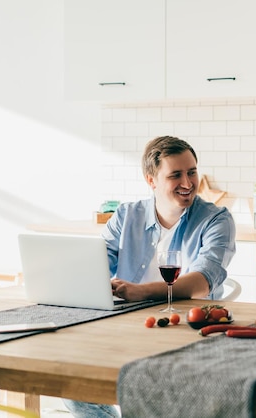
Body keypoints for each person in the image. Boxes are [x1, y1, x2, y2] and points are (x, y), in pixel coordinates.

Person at [64, 135, 236, 418]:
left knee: (147, 395)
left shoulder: (215, 219)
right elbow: (96, 267)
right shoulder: (125, 215)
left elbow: (202, 282)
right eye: (176, 175)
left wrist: (139, 292)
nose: (188, 182)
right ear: (151, 180)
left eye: (192, 172)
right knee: (73, 380)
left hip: (184, 332)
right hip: (125, 327)